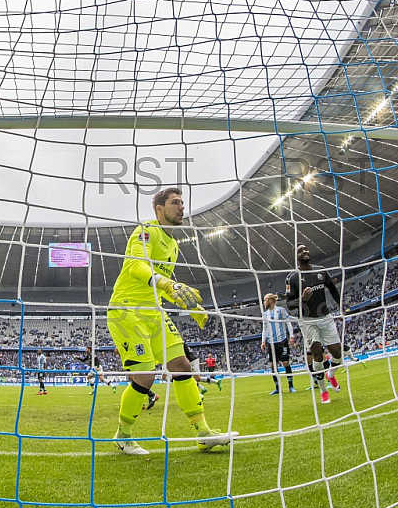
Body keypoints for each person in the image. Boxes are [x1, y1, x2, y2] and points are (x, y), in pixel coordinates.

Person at [107, 187, 236, 455]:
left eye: (182, 202)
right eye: (175, 203)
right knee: (146, 376)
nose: (181, 207)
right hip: (127, 310)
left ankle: (203, 433)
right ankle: (123, 435)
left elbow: (167, 288)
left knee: (181, 364)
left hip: (155, 312)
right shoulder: (146, 230)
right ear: (159, 209)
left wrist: (193, 305)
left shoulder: (174, 244)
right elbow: (136, 265)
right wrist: (166, 283)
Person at [286, 244, 343, 404]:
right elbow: (289, 304)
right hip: (308, 321)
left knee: (337, 353)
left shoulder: (321, 271)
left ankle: (330, 374)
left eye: (306, 249)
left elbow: (332, 289)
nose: (305, 252)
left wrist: (341, 306)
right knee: (317, 354)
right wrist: (302, 299)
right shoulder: (292, 277)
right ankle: (324, 391)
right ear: (296, 256)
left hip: (325, 316)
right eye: (300, 251)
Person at [261, 293, 296, 394]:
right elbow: (265, 329)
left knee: (285, 363)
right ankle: (277, 388)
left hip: (282, 341)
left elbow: (288, 323)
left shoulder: (281, 310)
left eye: (265, 300)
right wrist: (263, 341)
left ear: (270, 301)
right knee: (273, 365)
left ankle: (291, 386)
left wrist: (292, 336)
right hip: (271, 342)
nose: (264, 303)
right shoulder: (265, 314)